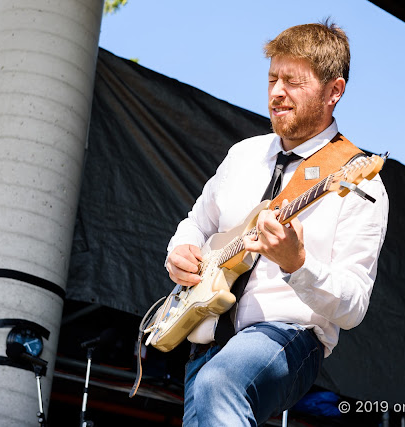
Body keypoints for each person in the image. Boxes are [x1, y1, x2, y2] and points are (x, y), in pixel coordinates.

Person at [165, 20, 389, 426]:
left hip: (289, 338)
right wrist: (179, 252)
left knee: (221, 381)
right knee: (215, 382)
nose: (276, 93)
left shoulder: (362, 182)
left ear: (334, 91)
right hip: (206, 337)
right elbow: (195, 223)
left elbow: (353, 307)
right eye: (272, 79)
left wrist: (297, 263)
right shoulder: (242, 155)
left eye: (293, 81)